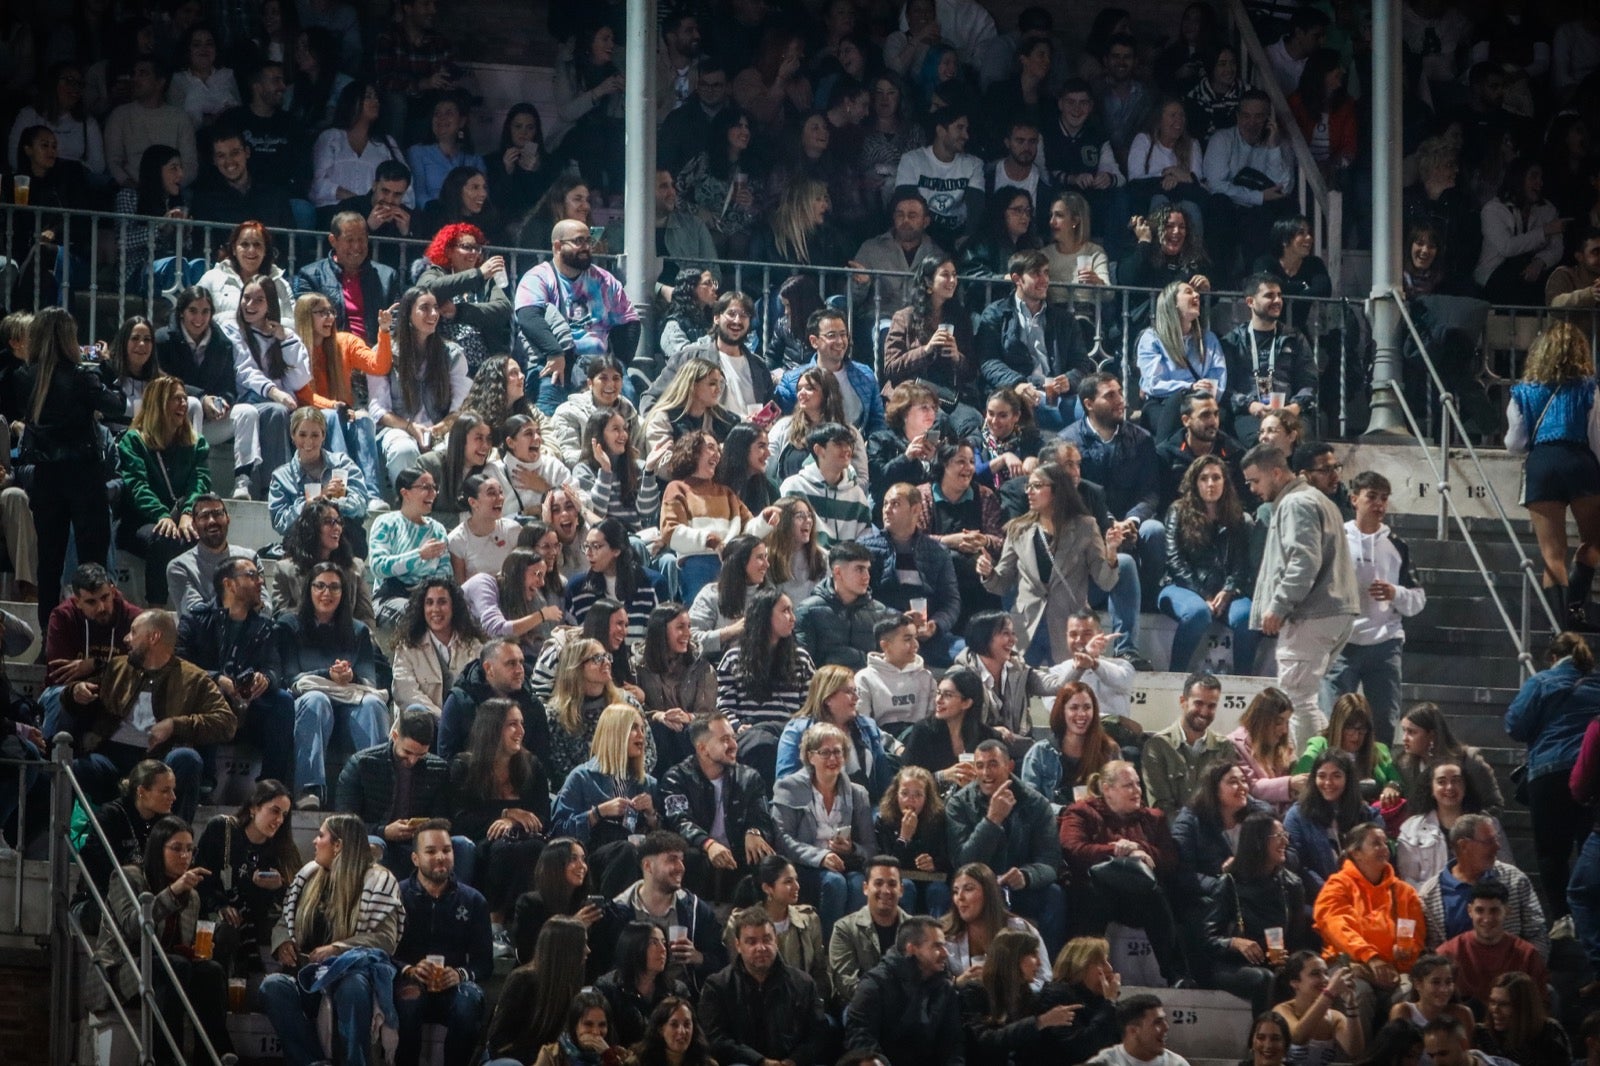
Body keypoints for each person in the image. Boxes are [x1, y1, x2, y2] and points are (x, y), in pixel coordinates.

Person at [260, 814, 405, 1066]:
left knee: (353, 987)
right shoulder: (309, 877)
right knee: (273, 986)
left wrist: (337, 949)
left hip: (349, 973)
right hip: (308, 973)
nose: (315, 842)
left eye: (321, 836)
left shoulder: (378, 881)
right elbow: (285, 921)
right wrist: (283, 942)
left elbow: (385, 939)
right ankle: (313, 1062)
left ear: (338, 845)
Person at [64, 611, 235, 824]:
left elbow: (226, 723)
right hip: (114, 756)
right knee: (80, 767)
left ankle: (173, 835)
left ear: (153, 637)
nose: (127, 638)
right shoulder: (118, 667)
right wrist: (75, 691)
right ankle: (58, 844)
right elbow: (76, 695)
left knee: (187, 760)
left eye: (134, 632)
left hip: (161, 757)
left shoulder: (194, 678)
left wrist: (175, 725)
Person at [1241, 444, 1359, 747]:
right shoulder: (1317, 500)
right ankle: (1328, 762)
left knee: (1295, 699)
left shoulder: (1297, 503)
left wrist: (1279, 604)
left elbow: (1303, 560)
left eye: (1255, 481)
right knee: (1305, 698)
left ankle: (1311, 776)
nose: (1253, 489)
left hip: (1314, 612)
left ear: (1276, 472)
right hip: (1333, 611)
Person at [93, 815, 232, 1065]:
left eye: (190, 849)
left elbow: (175, 946)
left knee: (211, 970)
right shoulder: (128, 877)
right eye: (176, 849)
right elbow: (132, 927)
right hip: (124, 967)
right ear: (158, 849)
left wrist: (196, 950)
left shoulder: (193, 896)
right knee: (174, 966)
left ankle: (214, 1055)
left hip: (168, 970)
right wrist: (173, 891)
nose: (185, 856)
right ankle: (166, 1060)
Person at [18, 308, 126, 627]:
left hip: (46, 479)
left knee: (48, 565)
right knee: (92, 565)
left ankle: (50, 639)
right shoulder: (82, 376)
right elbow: (116, 404)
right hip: (84, 478)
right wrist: (105, 367)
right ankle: (92, 634)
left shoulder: (24, 377)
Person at [1057, 759, 1189, 987]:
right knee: (1093, 894)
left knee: (1154, 894)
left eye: (1138, 784)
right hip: (1097, 892)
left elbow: (1170, 859)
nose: (1137, 790)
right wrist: (1117, 850)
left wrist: (1141, 850)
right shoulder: (1081, 812)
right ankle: (1080, 977)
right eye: (1129, 785)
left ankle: (1177, 975)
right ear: (1107, 789)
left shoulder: (1154, 818)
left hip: (1140, 898)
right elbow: (1073, 849)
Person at [1505, 321, 1600, 629]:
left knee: (1552, 554)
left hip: (1542, 465)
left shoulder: (1522, 393)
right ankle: (1575, 607)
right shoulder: (1589, 389)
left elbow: (1514, 444)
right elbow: (1596, 437)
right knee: (1594, 541)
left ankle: (1559, 629)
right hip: (1579, 462)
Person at [979, 462, 1121, 667]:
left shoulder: (1085, 526)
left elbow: (1105, 582)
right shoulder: (1018, 529)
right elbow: (1001, 584)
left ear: (1057, 490)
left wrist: (1112, 552)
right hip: (1025, 628)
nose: (1029, 492)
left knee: (1067, 694)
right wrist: (988, 572)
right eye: (1028, 486)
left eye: (1037, 486)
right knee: (1018, 694)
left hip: (1068, 629)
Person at [1324, 472, 1426, 738]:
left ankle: (1378, 776)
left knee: (1383, 721)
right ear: (1354, 499)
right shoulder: (1336, 538)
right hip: (1342, 642)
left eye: (1384, 498)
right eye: (1372, 497)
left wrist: (1395, 593)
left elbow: (1418, 599)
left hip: (1384, 644)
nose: (1379, 504)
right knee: (1335, 719)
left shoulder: (1396, 544)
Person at [281, 561, 387, 809]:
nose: (326, 593)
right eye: (320, 586)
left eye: (334, 587)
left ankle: (377, 792)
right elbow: (290, 677)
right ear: (309, 589)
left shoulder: (358, 630)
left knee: (373, 704)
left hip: (350, 702)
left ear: (344, 592)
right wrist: (327, 674)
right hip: (311, 704)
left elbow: (369, 679)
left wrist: (349, 676)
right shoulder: (288, 625)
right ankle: (309, 789)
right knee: (315, 699)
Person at [946, 739, 1064, 951]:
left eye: (993, 764)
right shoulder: (959, 803)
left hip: (1019, 888)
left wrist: (1026, 876)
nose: (985, 773)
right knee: (940, 892)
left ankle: (1049, 974)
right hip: (977, 888)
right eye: (979, 766)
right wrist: (992, 820)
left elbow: (1049, 862)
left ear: (1009, 766)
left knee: (1054, 895)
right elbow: (962, 862)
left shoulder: (1036, 804)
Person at [514, 219, 641, 414]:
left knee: (627, 403)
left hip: (599, 361)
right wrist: (555, 352)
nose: (586, 247)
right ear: (558, 246)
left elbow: (629, 320)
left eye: (588, 241)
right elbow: (528, 317)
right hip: (556, 358)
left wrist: (619, 363)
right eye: (578, 241)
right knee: (548, 403)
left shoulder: (604, 280)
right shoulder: (538, 277)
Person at [392, 820, 493, 1066]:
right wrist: (409, 969)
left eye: (446, 850)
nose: (441, 857)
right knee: (409, 1004)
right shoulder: (396, 895)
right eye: (431, 851)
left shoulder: (473, 900)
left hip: (453, 985)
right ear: (415, 858)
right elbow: (381, 951)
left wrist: (460, 974)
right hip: (410, 980)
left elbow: (484, 962)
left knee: (467, 1004)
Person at [658, 711, 778, 902]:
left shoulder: (749, 777)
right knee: (692, 858)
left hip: (737, 852)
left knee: (764, 856)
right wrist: (709, 844)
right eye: (724, 740)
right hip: (699, 853)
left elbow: (763, 818)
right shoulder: (676, 778)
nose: (733, 745)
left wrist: (754, 831)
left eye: (733, 737)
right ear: (703, 749)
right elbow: (679, 821)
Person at [335, 710, 468, 878]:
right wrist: (383, 831)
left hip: (420, 840)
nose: (412, 761)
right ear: (395, 736)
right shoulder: (363, 764)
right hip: (376, 837)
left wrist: (423, 830)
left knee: (462, 845)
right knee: (374, 845)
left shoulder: (438, 770)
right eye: (407, 753)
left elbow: (444, 818)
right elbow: (344, 821)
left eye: (421, 755)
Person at [113, 375, 209, 607]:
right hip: (139, 521)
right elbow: (137, 485)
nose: (183, 404)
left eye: (185, 399)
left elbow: (200, 482)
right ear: (158, 403)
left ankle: (202, 607)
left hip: (181, 517)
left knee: (202, 534)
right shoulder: (134, 441)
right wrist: (162, 515)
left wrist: (187, 513)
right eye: (176, 399)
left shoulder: (196, 444)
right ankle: (157, 607)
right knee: (164, 537)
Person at [1313, 823, 1424, 1023]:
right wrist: (1371, 957)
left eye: (1385, 843)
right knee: (1358, 993)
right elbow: (1336, 926)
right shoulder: (1337, 885)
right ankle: (1357, 1054)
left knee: (1408, 994)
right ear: (1356, 853)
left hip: (1394, 969)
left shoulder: (1404, 892)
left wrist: (1406, 954)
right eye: (1376, 843)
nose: (1384, 848)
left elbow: (1416, 937)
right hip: (1348, 965)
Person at [1205, 814, 1314, 1016]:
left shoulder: (1291, 884)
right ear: (1258, 841)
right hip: (1234, 965)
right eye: (1278, 835)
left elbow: (1298, 939)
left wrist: (1289, 958)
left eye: (1285, 834)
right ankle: (1261, 1041)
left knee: (1307, 975)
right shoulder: (1230, 883)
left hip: (1276, 961)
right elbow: (1208, 939)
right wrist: (1235, 942)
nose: (1285, 840)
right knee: (1264, 979)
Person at [1160, 453, 1257, 673]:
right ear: (1195, 483)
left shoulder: (1237, 516)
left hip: (1224, 590)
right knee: (1197, 614)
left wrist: (1229, 589)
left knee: (1249, 617)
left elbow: (1241, 563)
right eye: (1204, 478)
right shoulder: (1178, 510)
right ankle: (1176, 675)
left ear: (1225, 481)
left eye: (1216, 477)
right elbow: (1175, 560)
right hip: (1181, 586)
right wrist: (1204, 594)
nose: (1210, 484)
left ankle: (1244, 681)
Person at [195, 779, 299, 978]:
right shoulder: (222, 829)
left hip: (257, 920)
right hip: (214, 915)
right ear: (254, 808)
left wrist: (277, 887)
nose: (279, 820)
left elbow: (293, 899)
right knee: (228, 929)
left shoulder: (282, 849)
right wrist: (221, 905)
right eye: (274, 811)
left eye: (284, 815)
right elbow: (201, 876)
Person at [974, 250, 1088, 431]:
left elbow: (1081, 363)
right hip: (1018, 394)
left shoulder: (1063, 319)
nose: (1044, 280)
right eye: (1036, 273)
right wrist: (1016, 384)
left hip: (1058, 395)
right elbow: (988, 361)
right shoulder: (996, 314)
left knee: (1094, 411)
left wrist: (1069, 379)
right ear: (1017, 279)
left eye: (1046, 273)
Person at [844, 916, 965, 1065]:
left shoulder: (945, 989)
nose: (946, 953)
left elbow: (953, 1045)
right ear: (911, 949)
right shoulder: (874, 985)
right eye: (937, 946)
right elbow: (861, 1042)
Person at [1415, 811, 1542, 953]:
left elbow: (1537, 933)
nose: (1498, 846)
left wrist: (1526, 968)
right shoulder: (1430, 894)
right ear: (1463, 845)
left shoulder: (1515, 879)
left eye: (1497, 839)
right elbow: (1432, 951)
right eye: (1489, 841)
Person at [1220, 274, 1318, 447]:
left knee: (1302, 444)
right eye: (1269, 296)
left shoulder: (1294, 338)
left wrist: (1294, 407)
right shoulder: (1234, 340)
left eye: (1279, 295)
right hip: (1250, 413)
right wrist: (1251, 405)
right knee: (1259, 443)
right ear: (1250, 302)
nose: (1277, 300)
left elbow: (1309, 381)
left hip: (1289, 411)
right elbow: (1225, 387)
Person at [775, 665, 895, 800]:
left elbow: (885, 782)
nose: (856, 698)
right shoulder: (798, 730)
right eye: (849, 692)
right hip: (811, 812)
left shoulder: (868, 727)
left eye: (856, 691)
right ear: (827, 698)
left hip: (865, 810)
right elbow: (784, 785)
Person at [487, 918, 595, 1062]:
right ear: (565, 948)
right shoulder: (522, 981)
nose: (588, 950)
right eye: (582, 944)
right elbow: (498, 1041)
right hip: (510, 1059)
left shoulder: (570, 985)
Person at [291, 211, 401, 348]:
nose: (356, 246)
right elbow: (306, 325)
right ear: (333, 241)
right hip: (330, 357)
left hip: (375, 357)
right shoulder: (310, 276)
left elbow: (396, 323)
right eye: (349, 240)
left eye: (361, 239)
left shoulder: (387, 276)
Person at [77, 759, 180, 904]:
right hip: (100, 901)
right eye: (165, 791)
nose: (173, 797)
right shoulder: (111, 816)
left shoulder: (166, 821)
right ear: (142, 792)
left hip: (145, 901)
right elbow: (98, 866)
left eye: (173, 789)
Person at [1437, 880, 1550, 1010]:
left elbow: (1540, 1005)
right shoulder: (1447, 954)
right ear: (1470, 911)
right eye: (1480, 910)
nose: (1487, 919)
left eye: (1494, 911)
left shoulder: (1527, 954)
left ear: (1507, 911)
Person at [1174, 761, 1278, 899]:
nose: (1243, 787)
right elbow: (1184, 874)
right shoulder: (1190, 821)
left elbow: (1290, 853)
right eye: (1233, 782)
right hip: (1216, 899)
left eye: (1243, 781)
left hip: (1260, 891)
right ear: (1214, 789)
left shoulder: (1261, 814)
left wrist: (1265, 862)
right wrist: (1226, 885)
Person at [1397, 761, 1511, 886]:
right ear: (1431, 788)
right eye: (1442, 782)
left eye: (1456, 780)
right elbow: (1408, 881)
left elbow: (1507, 870)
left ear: (1465, 786)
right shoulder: (1412, 829)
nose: (1450, 787)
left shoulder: (1488, 824)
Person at [1285, 749, 1380, 896]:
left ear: (1348, 779)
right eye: (1321, 776)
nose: (1328, 783)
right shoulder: (1297, 816)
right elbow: (1298, 866)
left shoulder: (1365, 813)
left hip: (1363, 894)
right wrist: (1333, 891)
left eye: (1336, 776)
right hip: (1319, 898)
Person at [369, 468, 452, 627]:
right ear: (405, 493)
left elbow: (445, 572)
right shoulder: (386, 523)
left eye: (434, 488)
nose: (433, 493)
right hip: (390, 597)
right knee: (416, 615)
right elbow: (378, 566)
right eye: (425, 488)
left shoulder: (438, 529)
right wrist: (419, 555)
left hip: (428, 598)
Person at [1022, 682, 1121, 807]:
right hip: (1055, 823)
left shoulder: (1110, 750)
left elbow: (1121, 797)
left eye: (1087, 707)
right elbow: (1030, 803)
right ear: (1062, 711)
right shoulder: (1040, 753)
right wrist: (1068, 813)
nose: (1081, 714)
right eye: (1074, 708)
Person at [1270, 951, 1364, 1066]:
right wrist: (1330, 992)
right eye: (1315, 974)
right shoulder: (1282, 1010)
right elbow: (1297, 1038)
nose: (1324, 979)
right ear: (1295, 983)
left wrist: (1351, 1004)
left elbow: (1355, 1050)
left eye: (1326, 973)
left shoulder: (1334, 1017)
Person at [856, 613, 938, 737]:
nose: (916, 645)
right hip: (881, 747)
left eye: (915, 637)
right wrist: (894, 746)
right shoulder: (865, 678)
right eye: (907, 639)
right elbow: (863, 724)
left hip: (920, 742)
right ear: (885, 645)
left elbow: (933, 721)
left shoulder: (926, 676)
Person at [1475, 970, 1568, 1062]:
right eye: (1492, 1002)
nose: (1495, 1010)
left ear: (1524, 1007)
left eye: (1504, 1004)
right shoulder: (1483, 1035)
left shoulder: (1549, 1031)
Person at [1084, 994, 1190, 1066]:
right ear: (1133, 1031)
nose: (1166, 1027)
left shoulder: (1177, 1064)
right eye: (1157, 1022)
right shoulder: (1104, 1063)